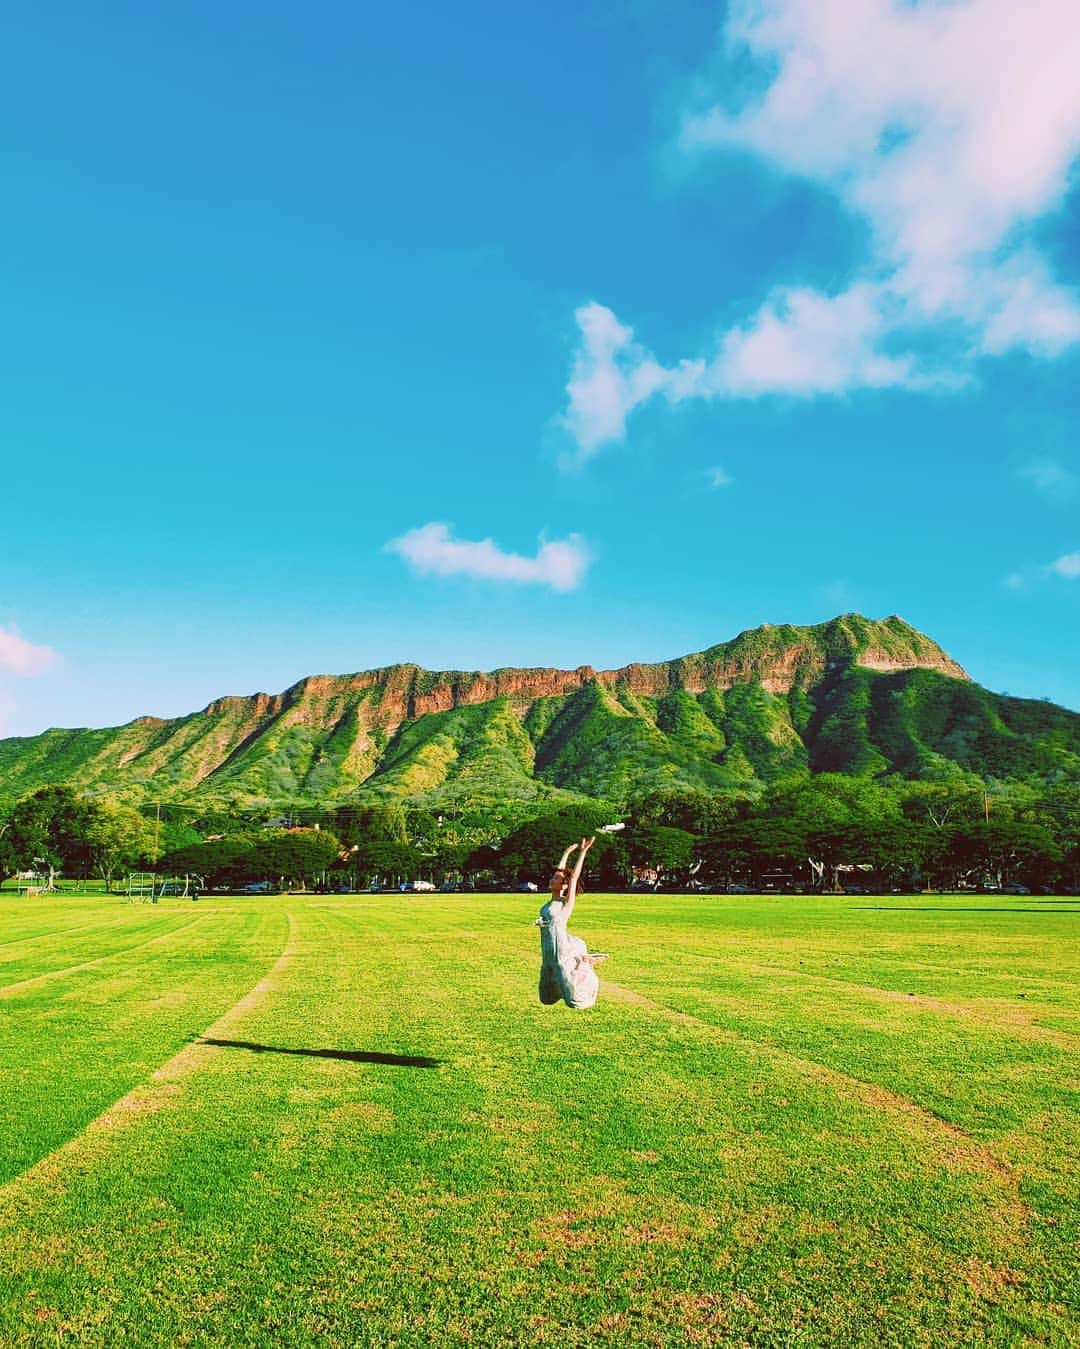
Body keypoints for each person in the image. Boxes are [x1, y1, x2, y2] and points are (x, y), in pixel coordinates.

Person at [536, 837, 607, 1009]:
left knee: (574, 1001)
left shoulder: (565, 905)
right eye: (553, 877)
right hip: (548, 954)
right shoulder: (548, 904)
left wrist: (583, 852)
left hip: (562, 953)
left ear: (565, 886)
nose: (552, 879)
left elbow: (573, 877)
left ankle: (585, 964)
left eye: (556, 879)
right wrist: (567, 853)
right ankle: (580, 962)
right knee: (546, 998)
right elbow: (561, 870)